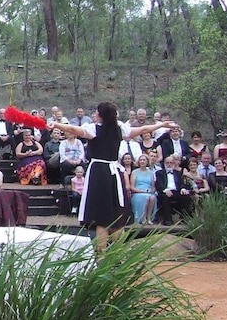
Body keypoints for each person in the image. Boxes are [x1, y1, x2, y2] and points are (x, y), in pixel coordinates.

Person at [50, 102, 177, 251]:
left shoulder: (94, 129)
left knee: (102, 217)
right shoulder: (120, 129)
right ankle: (117, 255)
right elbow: (143, 129)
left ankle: (102, 253)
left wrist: (56, 125)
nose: (95, 115)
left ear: (101, 115)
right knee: (115, 214)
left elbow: (72, 129)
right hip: (114, 172)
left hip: (99, 172)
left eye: (97, 112)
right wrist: (160, 125)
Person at [154, 154, 194, 226]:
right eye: (167, 163)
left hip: (176, 191)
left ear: (173, 164)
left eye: (171, 163)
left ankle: (185, 218)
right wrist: (165, 190)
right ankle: (167, 219)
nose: (169, 164)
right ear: (164, 164)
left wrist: (183, 189)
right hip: (165, 191)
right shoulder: (159, 173)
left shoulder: (178, 173)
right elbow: (159, 184)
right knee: (165, 197)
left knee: (186, 197)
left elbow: (181, 183)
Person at [129, 154, 156, 224]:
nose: (142, 161)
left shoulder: (151, 173)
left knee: (152, 197)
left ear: (147, 162)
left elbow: (153, 187)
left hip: (148, 192)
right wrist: (141, 191)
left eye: (144, 160)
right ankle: (143, 218)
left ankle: (149, 218)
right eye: (140, 160)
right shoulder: (134, 172)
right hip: (137, 192)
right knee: (144, 197)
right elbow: (131, 187)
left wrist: (151, 191)